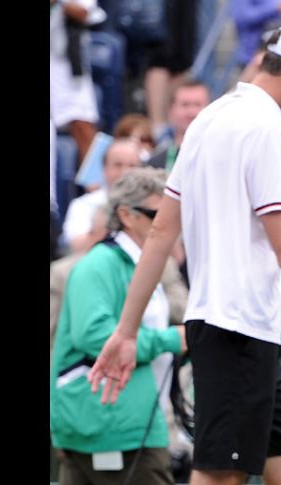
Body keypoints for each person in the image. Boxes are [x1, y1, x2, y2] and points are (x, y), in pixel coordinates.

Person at [87, 21, 281, 485]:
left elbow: (159, 236)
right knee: (220, 478)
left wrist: (127, 331)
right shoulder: (268, 129)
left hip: (237, 327)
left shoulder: (207, 119)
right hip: (237, 330)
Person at [51, 168, 184, 485]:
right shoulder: (99, 266)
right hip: (109, 425)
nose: (168, 222)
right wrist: (172, 339)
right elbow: (96, 337)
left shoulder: (143, 265)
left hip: (130, 423)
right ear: (126, 215)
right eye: (156, 214)